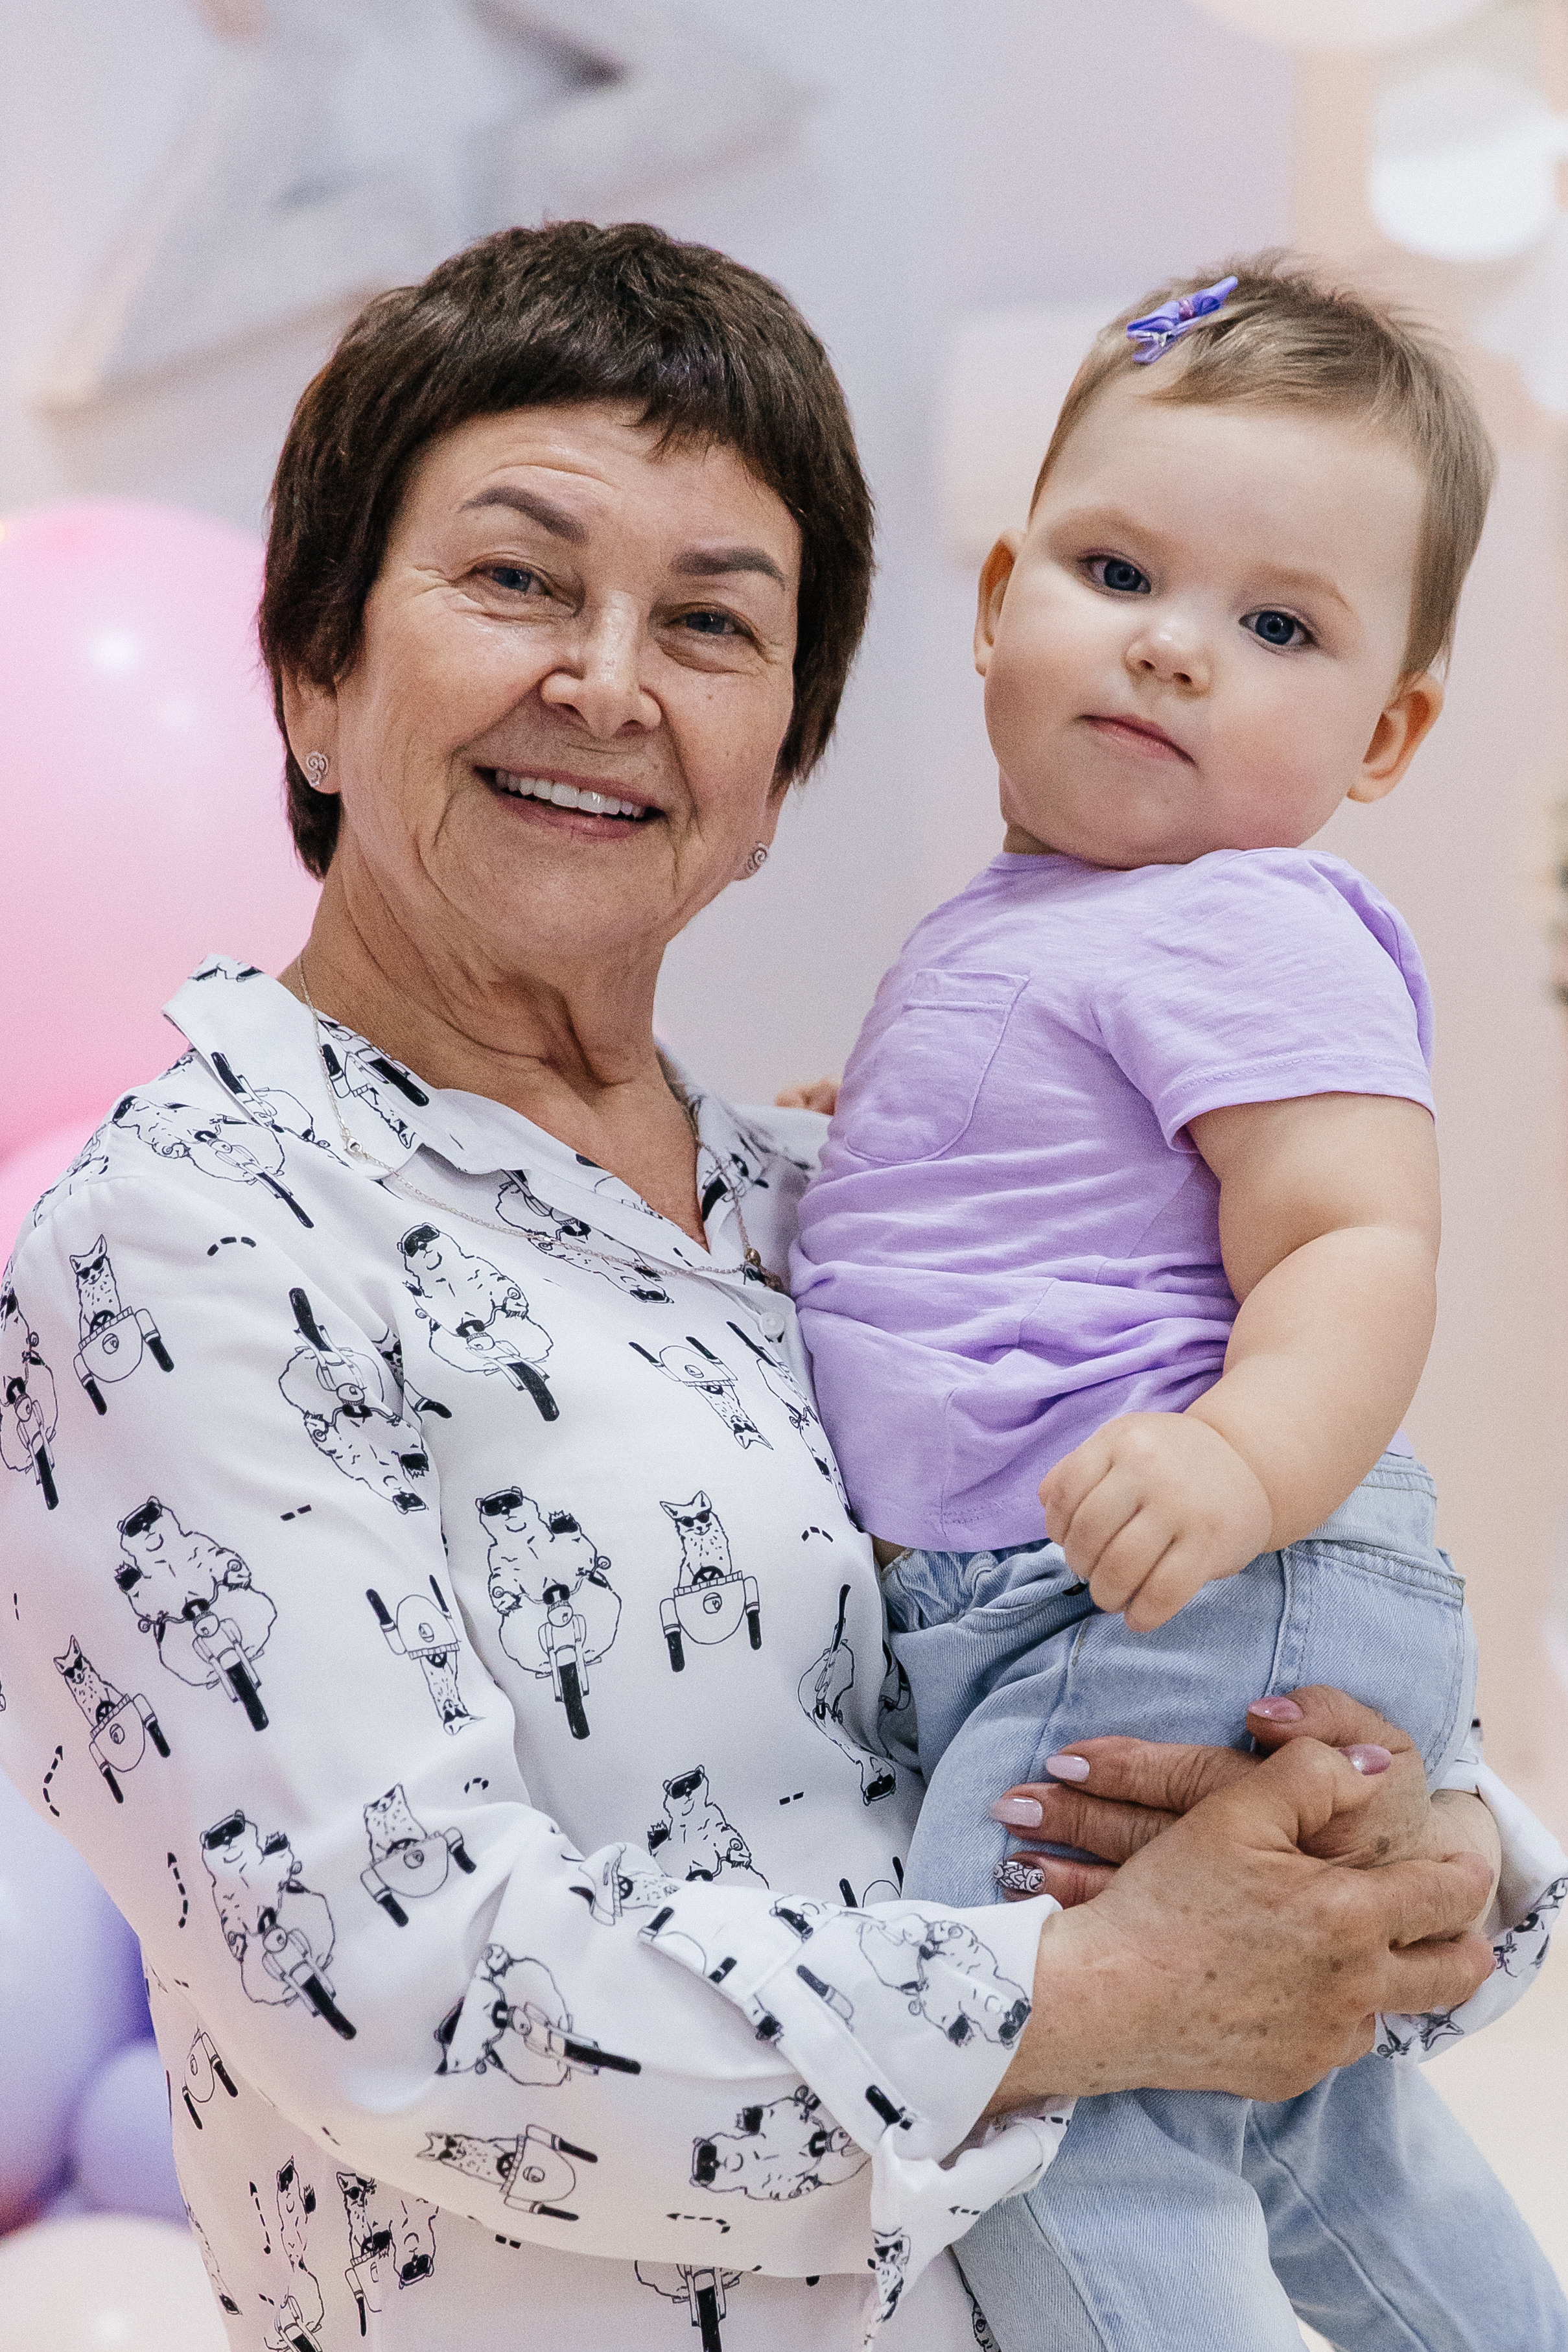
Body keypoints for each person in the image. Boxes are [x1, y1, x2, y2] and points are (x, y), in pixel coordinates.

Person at [0, 225, 1542, 2352]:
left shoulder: (826, 1202)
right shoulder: (187, 1235)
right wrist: (1097, 1992)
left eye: (711, 622)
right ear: (314, 669)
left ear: (777, 765)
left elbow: (1169, 1643)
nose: (608, 681)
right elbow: (396, 1983)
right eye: (517, 578)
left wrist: (1443, 1859)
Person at [790, 258, 1568, 2349]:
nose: (1169, 644)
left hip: (1157, 1587)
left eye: (1278, 625)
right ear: (990, 598)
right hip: (1128, 1588)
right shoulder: (1039, 925)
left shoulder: (1244, 919)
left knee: (1050, 2113)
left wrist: (1235, 1458)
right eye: (1116, 563)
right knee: (1309, 2127)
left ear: (1387, 731)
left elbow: (1350, 1243)